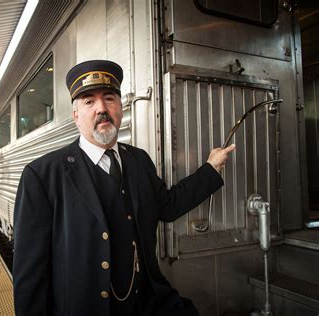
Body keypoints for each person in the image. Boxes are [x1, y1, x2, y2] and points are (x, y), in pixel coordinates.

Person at [13, 60, 235, 315]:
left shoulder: (138, 159)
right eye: (89, 102)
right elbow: (31, 274)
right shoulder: (42, 176)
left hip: (149, 303)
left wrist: (210, 169)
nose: (101, 109)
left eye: (109, 98)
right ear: (76, 116)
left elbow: (168, 206)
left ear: (120, 107)